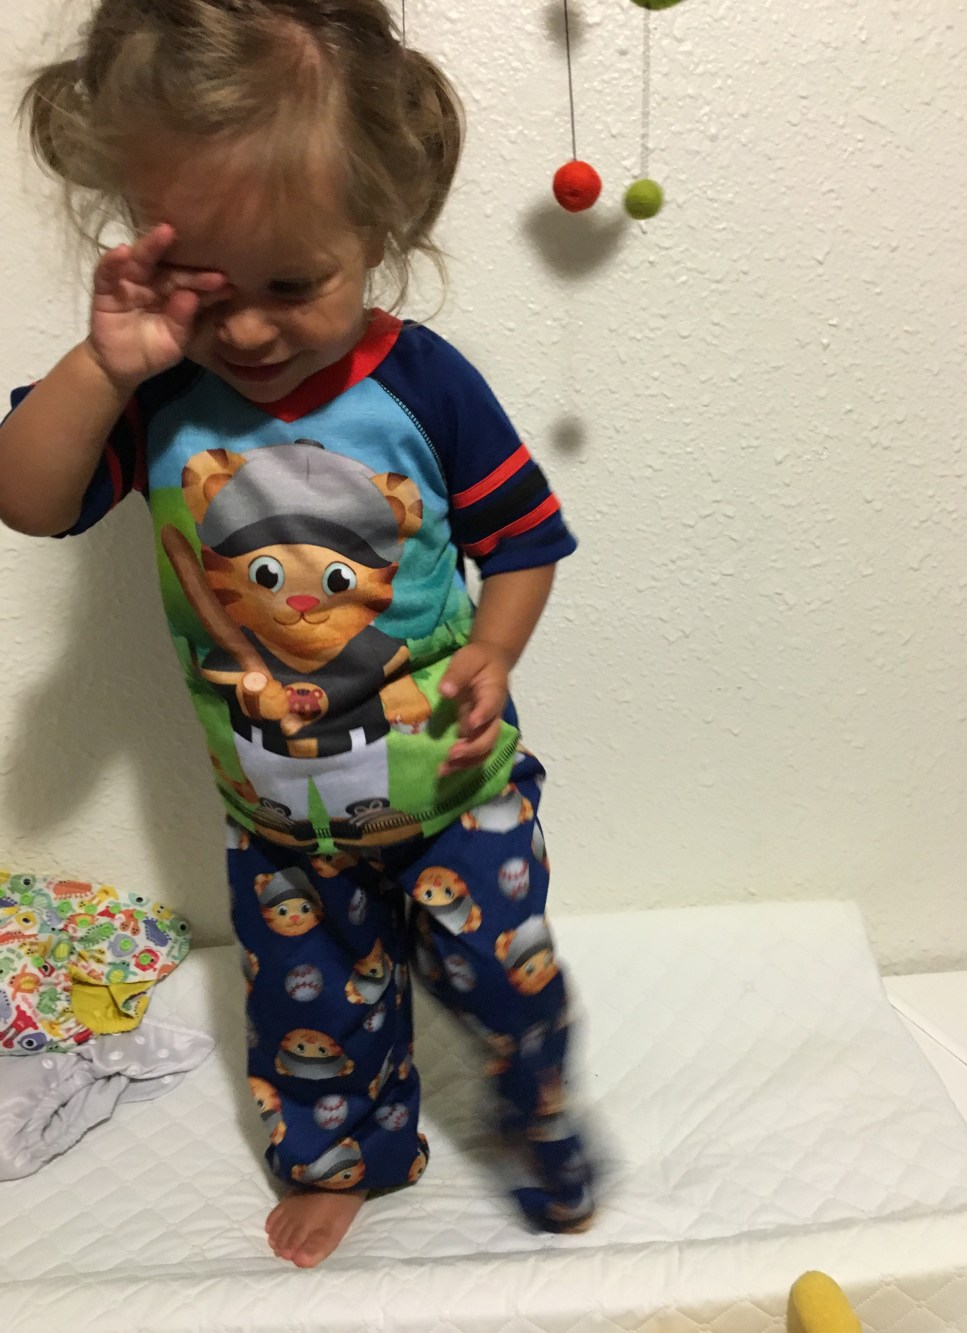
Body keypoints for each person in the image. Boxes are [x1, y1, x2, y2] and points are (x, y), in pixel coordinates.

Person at [0, 0, 594, 1267]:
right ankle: (350, 1157)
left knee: (508, 986)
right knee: (311, 1023)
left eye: (293, 284)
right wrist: (105, 366)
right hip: (277, 817)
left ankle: (537, 1113)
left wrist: (492, 652)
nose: (251, 329)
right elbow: (29, 499)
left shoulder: (421, 385)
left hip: (458, 791)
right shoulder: (154, 391)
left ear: (377, 231)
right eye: (207, 288)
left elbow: (525, 539)